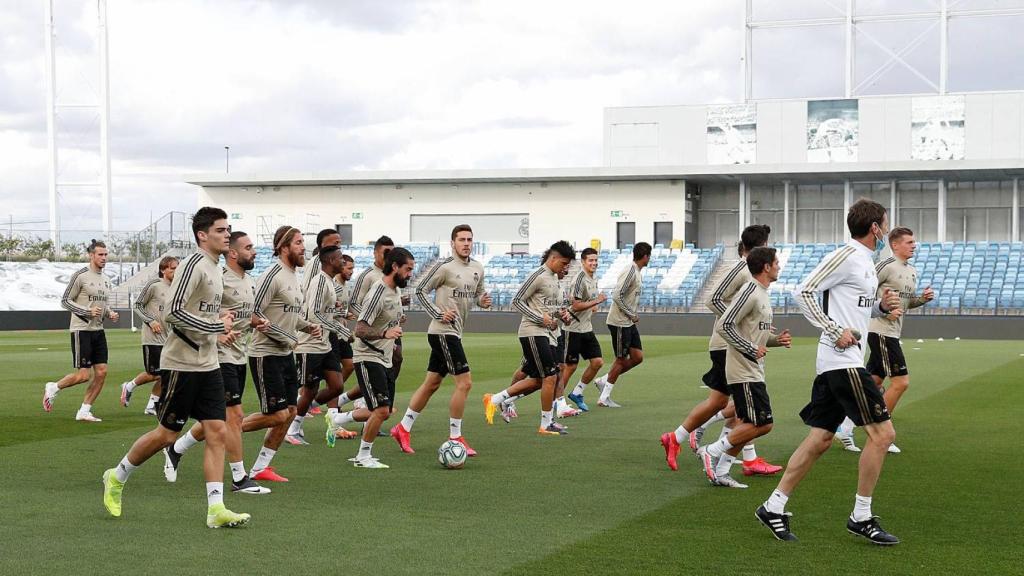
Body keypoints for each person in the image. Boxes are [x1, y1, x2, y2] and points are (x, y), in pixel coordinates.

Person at [756, 198, 902, 545]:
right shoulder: (847, 256)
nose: (886, 230)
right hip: (844, 362)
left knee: (821, 438)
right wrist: (835, 329)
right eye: (885, 224)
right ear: (875, 228)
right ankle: (861, 516)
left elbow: (854, 308)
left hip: (839, 361)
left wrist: (879, 307)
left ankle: (773, 507)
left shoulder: (865, 262)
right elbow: (803, 291)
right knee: (883, 436)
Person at [101, 206, 250, 528]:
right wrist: (214, 327)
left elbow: (203, 315)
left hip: (209, 363)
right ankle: (117, 475)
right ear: (202, 235)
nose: (227, 235)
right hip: (181, 365)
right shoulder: (193, 265)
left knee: (217, 431)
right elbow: (172, 312)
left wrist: (221, 326)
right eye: (221, 230)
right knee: (167, 434)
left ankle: (216, 509)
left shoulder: (215, 267)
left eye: (228, 230)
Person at [660, 225, 782, 476]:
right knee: (733, 403)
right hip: (725, 343)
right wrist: (739, 318)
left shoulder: (752, 278)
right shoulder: (742, 268)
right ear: (759, 247)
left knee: (734, 405)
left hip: (732, 341)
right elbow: (713, 299)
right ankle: (693, 441)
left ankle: (693, 441)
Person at [162, 231, 270, 495]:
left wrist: (255, 322)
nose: (253, 251)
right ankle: (239, 477)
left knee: (217, 421)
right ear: (233, 253)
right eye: (248, 247)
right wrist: (218, 332)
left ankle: (177, 448)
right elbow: (194, 311)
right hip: (216, 356)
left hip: (239, 354)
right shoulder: (217, 276)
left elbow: (233, 314)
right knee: (234, 416)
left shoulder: (249, 281)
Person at [391, 225, 491, 456]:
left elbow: (478, 296)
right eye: (461, 239)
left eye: (469, 239)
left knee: (432, 384)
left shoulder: (478, 268)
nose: (466, 243)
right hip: (442, 332)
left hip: (455, 332)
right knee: (464, 383)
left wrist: (483, 302)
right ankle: (456, 437)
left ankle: (402, 428)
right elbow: (419, 291)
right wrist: (438, 313)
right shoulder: (444, 267)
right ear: (452, 243)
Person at [697, 247, 791, 488]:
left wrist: (776, 340)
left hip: (753, 369)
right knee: (762, 423)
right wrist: (750, 349)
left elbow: (753, 333)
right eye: (776, 262)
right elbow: (725, 325)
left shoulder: (761, 292)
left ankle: (722, 471)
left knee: (746, 423)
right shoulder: (750, 291)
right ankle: (711, 450)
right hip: (742, 370)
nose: (779, 266)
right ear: (766, 267)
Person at [838, 227, 934, 454]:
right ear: (895, 245)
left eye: (914, 242)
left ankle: (845, 425)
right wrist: (883, 310)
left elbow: (906, 303)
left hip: (893, 332)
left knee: (872, 383)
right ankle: (881, 431)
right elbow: (865, 292)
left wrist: (921, 299)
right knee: (901, 383)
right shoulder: (884, 266)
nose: (914, 245)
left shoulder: (911, 270)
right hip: (880, 331)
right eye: (909, 242)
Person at [243, 226, 321, 483]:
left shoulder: (294, 277)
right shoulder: (273, 274)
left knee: (289, 412)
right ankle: (221, 429)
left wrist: (307, 325)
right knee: (277, 414)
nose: (303, 248)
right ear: (283, 246)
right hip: (265, 354)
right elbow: (253, 315)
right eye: (298, 243)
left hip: (286, 354)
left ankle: (260, 468)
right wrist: (285, 336)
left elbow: (288, 314)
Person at [483, 241, 575, 436]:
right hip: (532, 332)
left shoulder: (555, 280)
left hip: (547, 334)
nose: (565, 268)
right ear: (554, 258)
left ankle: (496, 399)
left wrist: (561, 315)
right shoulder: (538, 276)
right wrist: (539, 318)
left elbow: (549, 308)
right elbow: (516, 301)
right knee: (549, 376)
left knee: (539, 380)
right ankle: (545, 424)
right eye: (564, 263)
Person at [350, 247, 415, 468]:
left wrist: (396, 322)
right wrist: (384, 333)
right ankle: (362, 457)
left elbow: (387, 318)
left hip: (384, 356)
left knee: (384, 411)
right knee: (381, 410)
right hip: (368, 355)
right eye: (408, 269)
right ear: (395, 267)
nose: (410, 274)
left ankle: (339, 418)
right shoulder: (378, 291)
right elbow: (359, 328)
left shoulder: (395, 291)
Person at [43, 239, 119, 421]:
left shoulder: (107, 280)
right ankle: (54, 387)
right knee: (84, 375)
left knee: (101, 372)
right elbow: (65, 301)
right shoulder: (81, 276)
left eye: (106, 254)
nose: (104, 258)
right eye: (100, 254)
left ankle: (84, 411)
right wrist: (87, 311)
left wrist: (110, 313)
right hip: (81, 329)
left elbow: (102, 304)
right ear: (91, 255)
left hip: (98, 330)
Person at [287, 245, 350, 445]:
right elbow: (314, 313)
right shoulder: (319, 281)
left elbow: (324, 310)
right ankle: (292, 428)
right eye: (341, 259)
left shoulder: (330, 282)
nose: (344, 262)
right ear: (331, 261)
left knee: (337, 386)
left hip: (324, 344)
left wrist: (337, 311)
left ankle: (299, 410)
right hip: (310, 343)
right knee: (310, 388)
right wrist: (340, 329)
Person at [593, 242, 651, 407]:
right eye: (649, 256)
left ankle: (604, 379)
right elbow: (617, 295)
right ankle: (604, 397)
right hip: (619, 322)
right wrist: (631, 314)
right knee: (621, 359)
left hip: (627, 322)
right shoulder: (630, 271)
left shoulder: (637, 272)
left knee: (637, 357)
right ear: (646, 256)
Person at [121, 256, 178, 416]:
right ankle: (129, 386)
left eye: (177, 268)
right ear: (163, 270)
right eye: (172, 268)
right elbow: (138, 305)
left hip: (168, 337)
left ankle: (152, 405)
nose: (175, 271)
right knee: (155, 373)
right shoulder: (154, 285)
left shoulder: (176, 288)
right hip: (153, 337)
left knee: (166, 372)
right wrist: (150, 321)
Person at [563, 248, 607, 412]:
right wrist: (596, 301)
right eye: (591, 260)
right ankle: (557, 401)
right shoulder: (580, 278)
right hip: (573, 328)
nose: (594, 263)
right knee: (570, 366)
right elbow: (575, 305)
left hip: (586, 328)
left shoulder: (593, 278)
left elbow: (586, 302)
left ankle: (577, 392)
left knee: (597, 362)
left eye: (596, 260)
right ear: (583, 262)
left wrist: (592, 306)